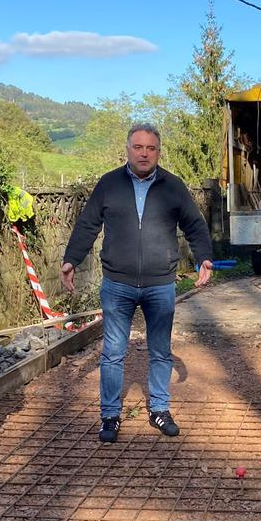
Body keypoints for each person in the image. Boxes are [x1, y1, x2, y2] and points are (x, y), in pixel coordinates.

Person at [61, 123, 213, 443]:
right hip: (118, 283)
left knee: (160, 351)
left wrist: (204, 258)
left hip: (160, 283)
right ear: (127, 149)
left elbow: (195, 226)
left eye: (151, 148)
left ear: (158, 151)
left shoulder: (173, 186)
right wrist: (71, 259)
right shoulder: (109, 184)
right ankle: (111, 416)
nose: (144, 153)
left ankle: (159, 409)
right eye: (138, 147)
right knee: (113, 352)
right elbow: (88, 224)